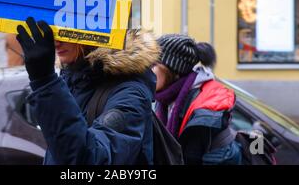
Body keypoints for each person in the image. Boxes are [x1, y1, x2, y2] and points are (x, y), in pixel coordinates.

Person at [16, 17, 160, 165]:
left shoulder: (129, 93)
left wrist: (45, 81)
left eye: (67, 32)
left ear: (97, 32)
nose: (56, 41)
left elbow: (91, 160)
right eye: (54, 32)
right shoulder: (71, 80)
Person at [153, 34, 242, 165]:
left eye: (154, 64)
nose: (149, 71)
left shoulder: (204, 109)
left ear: (174, 70)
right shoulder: (164, 99)